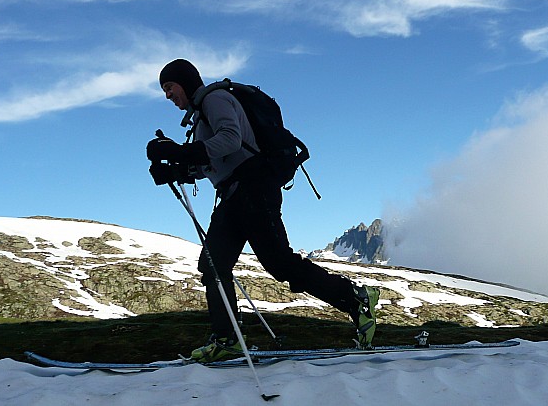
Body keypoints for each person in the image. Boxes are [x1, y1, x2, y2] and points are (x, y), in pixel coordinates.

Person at [146, 58, 379, 363]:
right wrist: (178, 171)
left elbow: (230, 140)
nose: (168, 96)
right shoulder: (201, 117)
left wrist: (180, 152)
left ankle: (356, 299)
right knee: (213, 266)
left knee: (279, 263)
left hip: (254, 188)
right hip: (234, 194)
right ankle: (226, 339)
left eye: (170, 87)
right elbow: (213, 162)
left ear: (186, 82)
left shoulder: (215, 99)